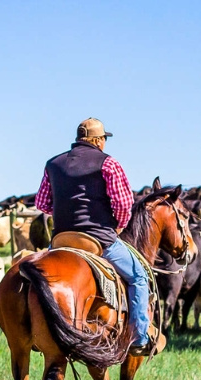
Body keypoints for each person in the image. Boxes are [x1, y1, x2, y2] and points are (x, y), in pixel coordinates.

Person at [35, 117, 153, 355]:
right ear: (98, 140)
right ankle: (139, 338)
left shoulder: (52, 164)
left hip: (61, 240)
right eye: (104, 140)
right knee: (139, 276)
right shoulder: (108, 164)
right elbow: (123, 204)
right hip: (98, 240)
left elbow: (42, 204)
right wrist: (116, 227)